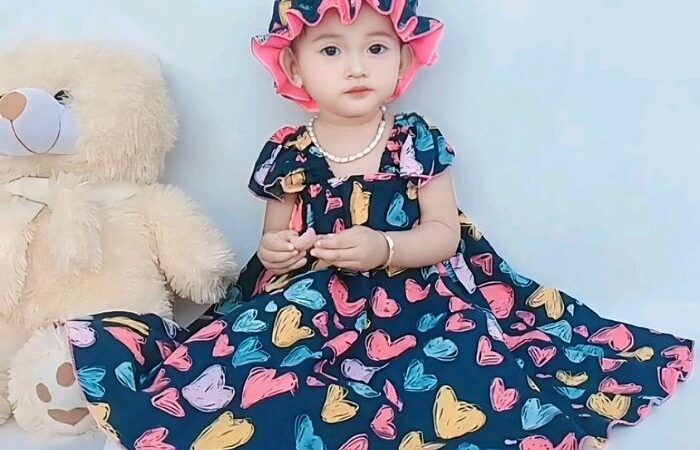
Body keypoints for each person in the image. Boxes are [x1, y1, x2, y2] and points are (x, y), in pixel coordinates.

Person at [66, 2, 694, 449]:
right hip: (314, 296)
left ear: (402, 60)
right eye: (331, 50)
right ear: (295, 68)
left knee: (459, 372)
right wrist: (282, 250)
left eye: (376, 48)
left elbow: (444, 234)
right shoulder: (290, 151)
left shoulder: (414, 140)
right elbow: (272, 241)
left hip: (419, 291)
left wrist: (385, 246)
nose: (356, 67)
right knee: (251, 372)